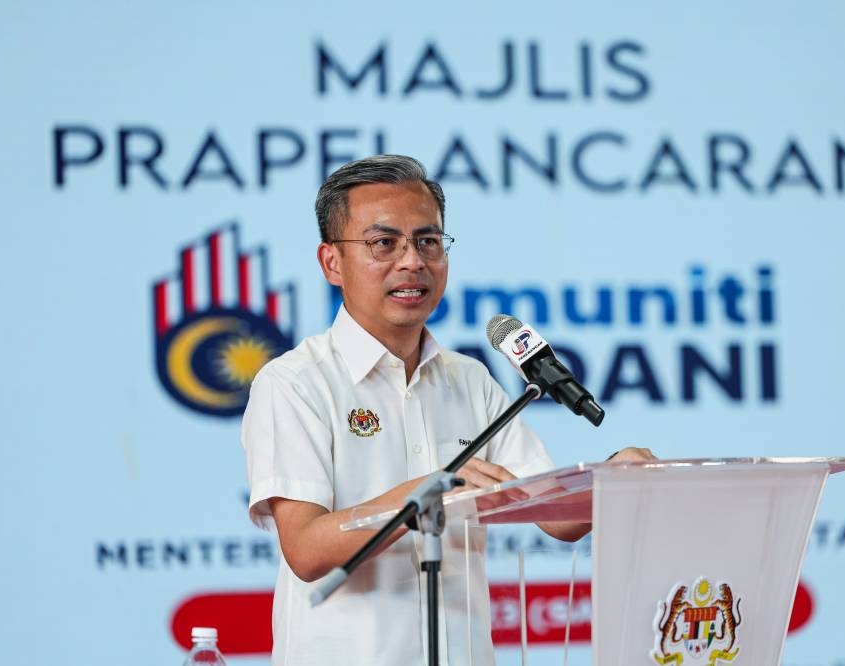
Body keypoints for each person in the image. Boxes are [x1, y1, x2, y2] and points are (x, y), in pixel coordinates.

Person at [242, 154, 655, 665]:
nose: (412, 261)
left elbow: (556, 519)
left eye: (428, 241)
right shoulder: (295, 383)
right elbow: (306, 549)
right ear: (332, 263)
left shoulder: (470, 380)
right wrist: (422, 495)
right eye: (383, 243)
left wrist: (614, 479)